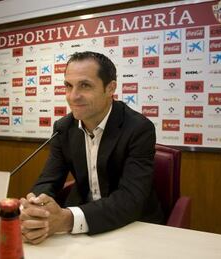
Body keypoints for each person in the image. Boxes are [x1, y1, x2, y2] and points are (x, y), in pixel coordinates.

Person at [20, 51, 164, 244]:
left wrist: (67, 219)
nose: (73, 96)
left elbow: (130, 199)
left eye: (85, 85)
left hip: (133, 225)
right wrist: (35, 208)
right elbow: (48, 180)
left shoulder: (138, 128)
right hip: (82, 224)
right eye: (68, 86)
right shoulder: (63, 128)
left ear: (110, 88)